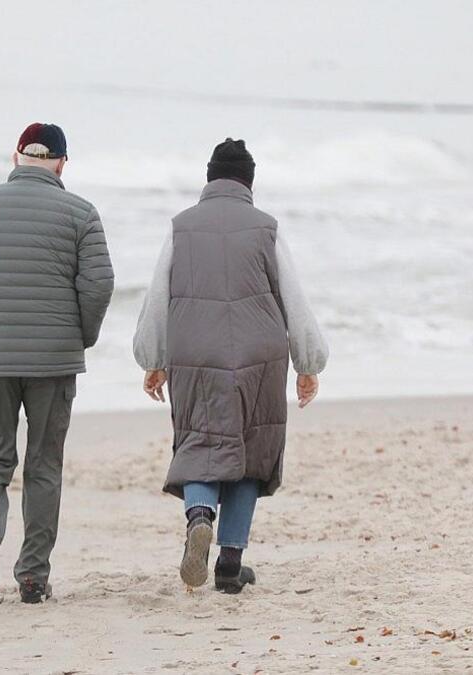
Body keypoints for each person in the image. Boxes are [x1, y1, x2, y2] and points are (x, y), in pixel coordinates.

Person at [133, 138, 328, 593]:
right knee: (251, 452)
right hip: (259, 355)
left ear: (209, 178)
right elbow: (293, 297)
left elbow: (157, 294)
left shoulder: (180, 227)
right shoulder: (267, 227)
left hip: (194, 351)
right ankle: (229, 564)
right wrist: (308, 363)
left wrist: (153, 358)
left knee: (201, 441)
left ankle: (199, 516)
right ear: (249, 181)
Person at [0, 122, 114, 603]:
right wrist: (81, 337)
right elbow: (100, 283)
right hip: (54, 361)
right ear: (61, 163)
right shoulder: (81, 213)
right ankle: (32, 577)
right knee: (43, 464)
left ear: (16, 157)